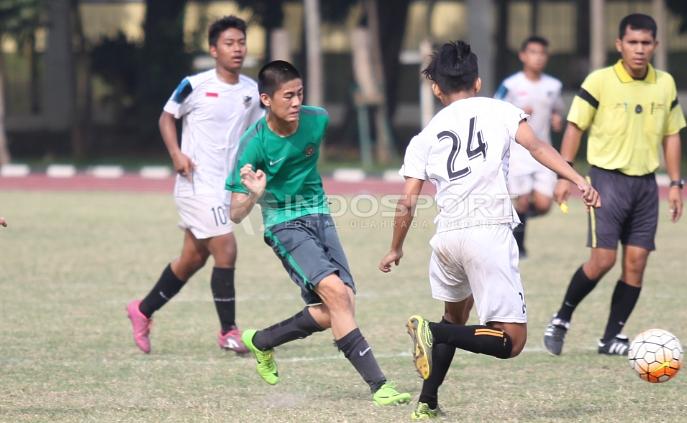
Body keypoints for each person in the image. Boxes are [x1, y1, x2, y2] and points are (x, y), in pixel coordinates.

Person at [378, 41, 600, 419]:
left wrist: (395, 247)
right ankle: (431, 331)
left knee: (455, 317)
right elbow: (539, 148)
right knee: (511, 342)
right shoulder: (501, 111)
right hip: (489, 231)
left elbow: (407, 201)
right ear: (478, 82)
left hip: (447, 237)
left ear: (436, 89)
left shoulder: (425, 135)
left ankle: (426, 403)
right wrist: (577, 178)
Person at [225, 60, 411, 405]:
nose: (296, 102)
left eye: (299, 94)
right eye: (287, 96)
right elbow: (235, 214)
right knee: (337, 296)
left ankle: (263, 341)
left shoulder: (317, 119)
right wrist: (254, 193)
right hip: (283, 223)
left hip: (320, 215)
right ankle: (379, 386)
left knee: (340, 306)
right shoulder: (254, 145)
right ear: (266, 99)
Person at [543, 13, 686, 357]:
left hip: (646, 186)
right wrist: (565, 174)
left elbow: (672, 135)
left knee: (636, 263)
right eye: (632, 43)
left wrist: (676, 183)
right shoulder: (599, 81)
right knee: (602, 260)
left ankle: (610, 338)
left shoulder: (665, 84)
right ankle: (562, 318)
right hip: (606, 181)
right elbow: (574, 127)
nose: (639, 50)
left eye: (646, 43)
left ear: (655, 45)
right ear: (619, 45)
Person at [126, 16, 264, 354]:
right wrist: (176, 154)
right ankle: (228, 332)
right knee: (227, 247)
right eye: (230, 43)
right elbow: (166, 117)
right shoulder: (193, 84)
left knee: (191, 259)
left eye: (241, 42)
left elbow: (258, 135)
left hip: (226, 185)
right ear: (213, 49)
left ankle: (141, 311)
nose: (237, 49)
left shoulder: (250, 91)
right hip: (195, 182)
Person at [494, 36, 565, 258]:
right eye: (532, 52)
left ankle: (513, 218)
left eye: (541, 53)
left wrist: (556, 118)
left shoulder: (553, 86)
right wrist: (516, 111)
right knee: (522, 199)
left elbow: (557, 110)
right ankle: (519, 247)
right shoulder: (511, 84)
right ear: (523, 55)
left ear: (547, 56)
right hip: (518, 153)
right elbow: (495, 108)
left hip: (543, 152)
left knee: (544, 204)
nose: (537, 57)